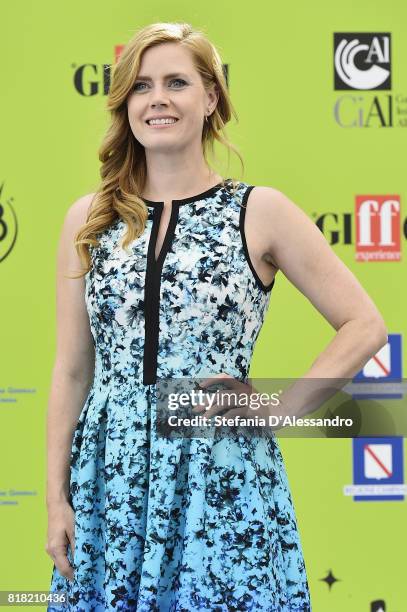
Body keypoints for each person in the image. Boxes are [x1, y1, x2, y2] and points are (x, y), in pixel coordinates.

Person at [45, 22, 387, 611]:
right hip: (111, 477)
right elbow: (73, 372)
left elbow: (365, 324)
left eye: (177, 82)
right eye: (141, 85)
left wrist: (280, 409)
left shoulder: (261, 211)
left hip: (219, 471)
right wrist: (57, 499)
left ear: (210, 99)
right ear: (125, 103)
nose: (157, 99)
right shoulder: (90, 218)